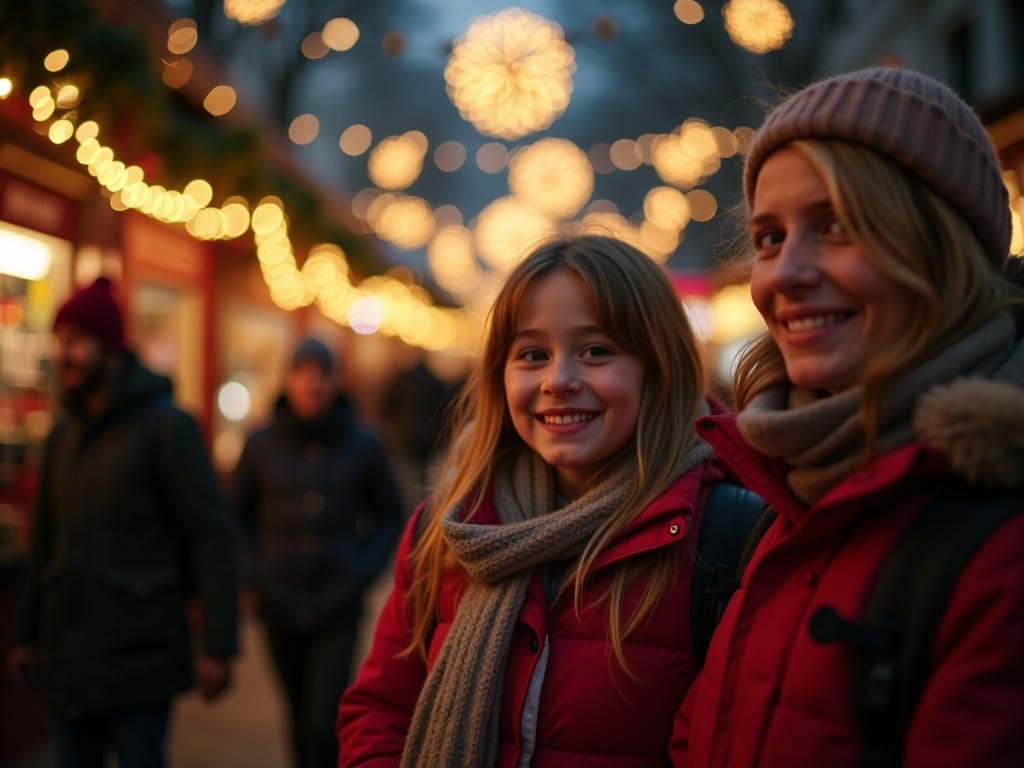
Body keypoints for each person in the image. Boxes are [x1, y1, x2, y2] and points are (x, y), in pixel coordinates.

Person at [675, 66, 1024, 767]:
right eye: (769, 238)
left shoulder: (999, 538)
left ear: (939, 248)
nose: (785, 273)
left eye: (836, 225)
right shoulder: (792, 486)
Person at [337, 234, 735, 767]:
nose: (558, 380)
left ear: (657, 367)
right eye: (532, 354)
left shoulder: (724, 537)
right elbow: (381, 709)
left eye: (596, 351)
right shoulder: (451, 527)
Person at [7, 276, 239, 768]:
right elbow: (43, 543)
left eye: (76, 341)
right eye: (60, 341)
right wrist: (24, 634)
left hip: (140, 658)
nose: (64, 354)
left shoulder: (167, 428)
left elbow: (212, 534)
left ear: (111, 349)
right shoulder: (62, 436)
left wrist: (218, 645)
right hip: (65, 657)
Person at [233, 337, 404, 768]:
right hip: (279, 602)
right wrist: (254, 571)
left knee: (322, 720)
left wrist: (362, 570)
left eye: (321, 375)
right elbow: (234, 516)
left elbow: (390, 515)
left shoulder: (365, 444)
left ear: (334, 382)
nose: (312, 385)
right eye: (303, 374)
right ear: (289, 380)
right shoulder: (261, 443)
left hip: (337, 604)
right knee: (295, 714)